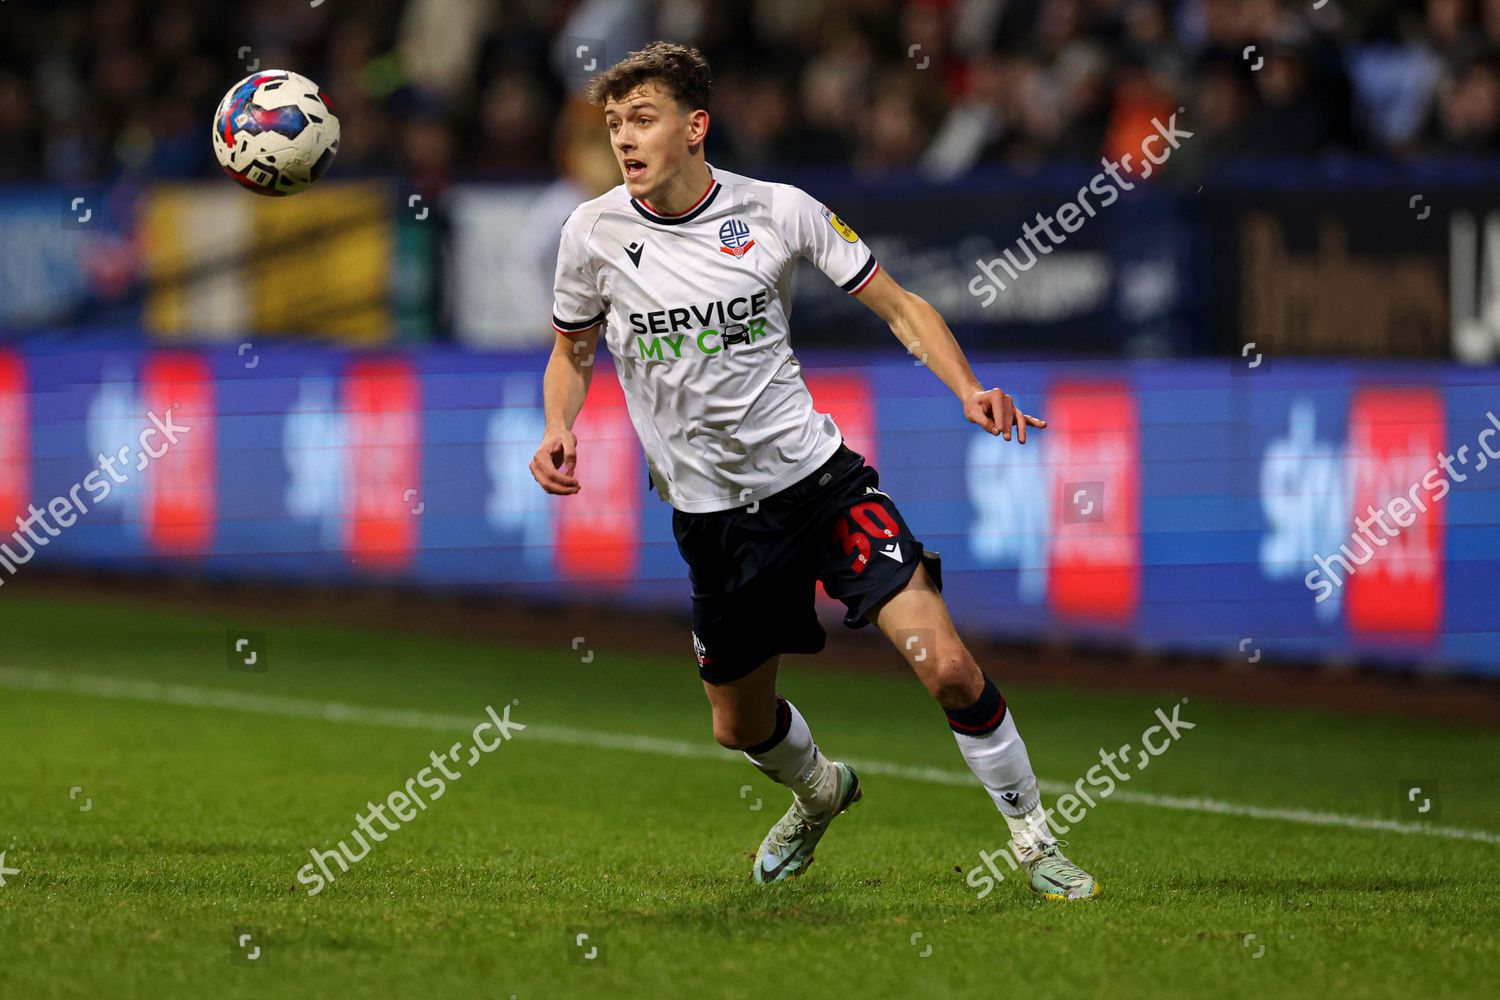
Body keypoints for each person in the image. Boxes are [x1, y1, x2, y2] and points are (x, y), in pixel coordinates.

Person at [530, 41, 1097, 901]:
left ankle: (1034, 841)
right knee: (738, 726)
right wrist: (557, 426)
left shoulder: (778, 210)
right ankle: (820, 791)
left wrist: (968, 388)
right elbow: (571, 352)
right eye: (614, 126)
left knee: (944, 664)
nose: (625, 140)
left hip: (820, 486)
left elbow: (900, 304)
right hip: (714, 521)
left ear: (696, 126)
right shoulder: (593, 232)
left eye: (642, 120)